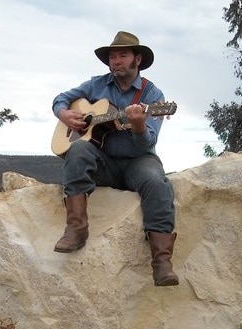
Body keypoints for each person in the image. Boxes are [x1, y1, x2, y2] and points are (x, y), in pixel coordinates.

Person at [51, 31, 179, 286]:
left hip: (138, 161)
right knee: (77, 150)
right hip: (104, 162)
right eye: (112, 56)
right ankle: (76, 229)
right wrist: (64, 114)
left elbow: (148, 142)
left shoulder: (153, 96)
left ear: (137, 59)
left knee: (156, 182)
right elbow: (61, 99)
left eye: (122, 55)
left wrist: (139, 124)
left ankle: (162, 262)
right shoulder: (96, 85)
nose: (116, 61)